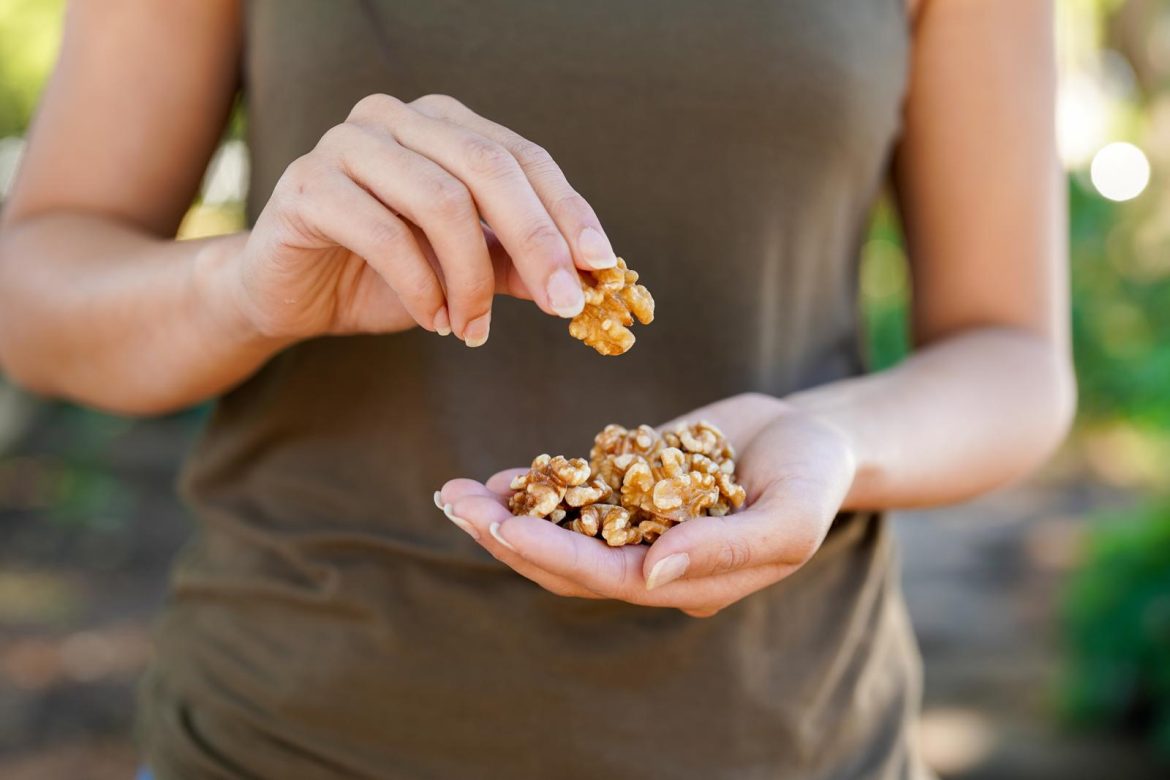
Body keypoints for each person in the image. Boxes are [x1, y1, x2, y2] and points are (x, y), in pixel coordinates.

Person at [0, 1, 1073, 778]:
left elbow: (1014, 354)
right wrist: (241, 288)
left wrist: (824, 439)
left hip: (789, 737)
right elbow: (31, 297)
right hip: (285, 736)